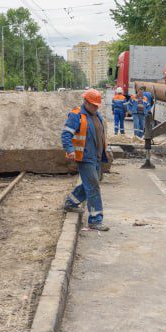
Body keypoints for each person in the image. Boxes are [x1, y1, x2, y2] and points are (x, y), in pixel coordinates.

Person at [61, 88, 110, 231]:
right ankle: (95, 220)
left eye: (97, 105)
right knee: (93, 186)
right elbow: (65, 134)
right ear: (86, 102)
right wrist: (70, 150)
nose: (96, 107)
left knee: (90, 184)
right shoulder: (76, 115)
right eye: (93, 105)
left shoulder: (97, 115)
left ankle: (71, 202)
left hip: (97, 157)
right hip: (85, 157)